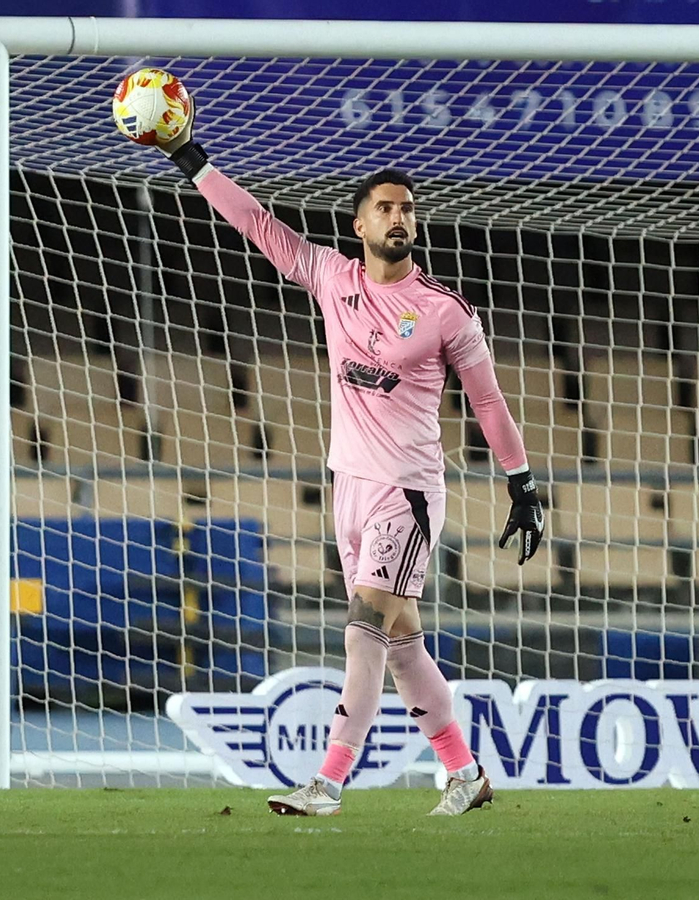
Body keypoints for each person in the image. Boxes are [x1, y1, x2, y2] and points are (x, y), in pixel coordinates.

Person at [146, 107, 544, 816]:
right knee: (399, 645)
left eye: (407, 209)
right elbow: (257, 225)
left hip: (408, 492)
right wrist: (189, 156)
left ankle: (328, 781)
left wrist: (523, 482)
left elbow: (488, 401)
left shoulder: (444, 310)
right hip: (350, 488)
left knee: (361, 627)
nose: (400, 217)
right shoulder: (331, 278)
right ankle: (464, 774)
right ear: (359, 225)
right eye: (385, 208)